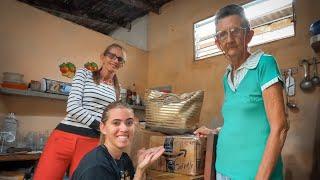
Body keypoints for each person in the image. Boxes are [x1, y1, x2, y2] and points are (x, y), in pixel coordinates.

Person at [194, 4, 289, 180]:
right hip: (223, 170)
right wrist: (214, 131)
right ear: (217, 43)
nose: (229, 39)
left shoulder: (264, 64)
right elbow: (240, 122)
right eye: (222, 34)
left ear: (248, 35)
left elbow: (280, 127)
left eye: (235, 31)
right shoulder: (227, 77)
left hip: (254, 174)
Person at [34, 43, 126, 180]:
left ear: (122, 64)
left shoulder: (118, 90)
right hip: (64, 136)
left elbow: (111, 117)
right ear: (102, 57)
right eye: (112, 56)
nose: (115, 60)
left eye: (120, 59)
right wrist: (101, 127)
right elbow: (73, 107)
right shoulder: (84, 73)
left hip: (92, 141)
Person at [72, 102, 165, 180]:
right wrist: (140, 170)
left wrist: (140, 166)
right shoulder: (97, 167)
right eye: (116, 123)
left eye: (129, 123)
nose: (124, 129)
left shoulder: (124, 159)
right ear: (103, 128)